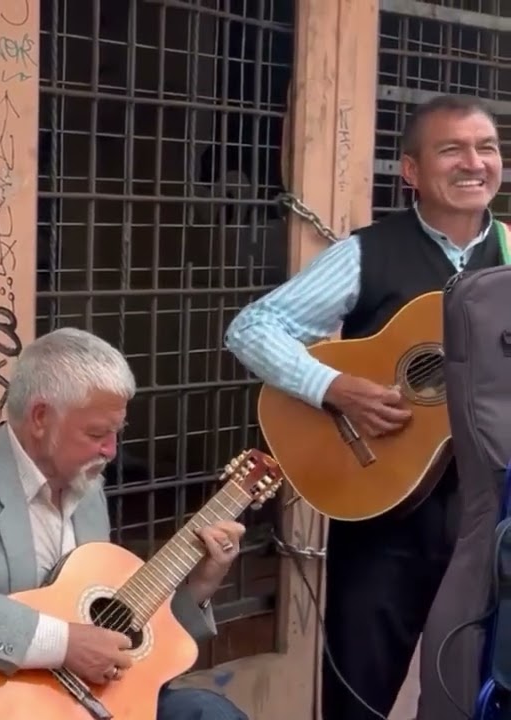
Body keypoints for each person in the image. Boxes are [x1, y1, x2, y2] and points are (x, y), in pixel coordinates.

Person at [224, 93, 504, 720]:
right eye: (451, 148)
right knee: (361, 698)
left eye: (486, 147)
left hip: (491, 521)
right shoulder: (366, 252)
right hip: (381, 509)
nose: (473, 162)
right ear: (410, 171)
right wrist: (333, 386)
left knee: (479, 694)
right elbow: (253, 327)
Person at [0, 328, 249, 720]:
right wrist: (63, 643)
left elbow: (113, 627)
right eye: (96, 434)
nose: (111, 451)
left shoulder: (89, 490)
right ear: (40, 417)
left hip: (80, 703)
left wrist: (199, 586)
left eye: (116, 433)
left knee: (210, 713)